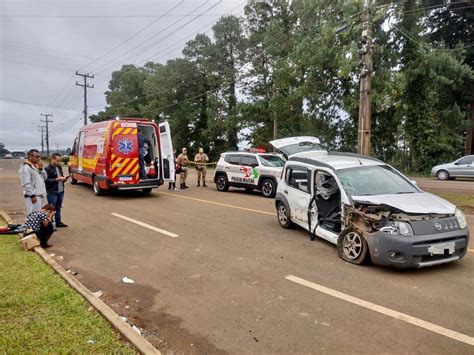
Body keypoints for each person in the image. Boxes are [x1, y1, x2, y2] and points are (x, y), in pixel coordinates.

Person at [19, 149, 47, 215]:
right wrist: (32, 195)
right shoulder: (26, 167)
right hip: (33, 196)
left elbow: (45, 178)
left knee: (39, 217)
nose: (39, 158)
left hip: (40, 195)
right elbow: (26, 183)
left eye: (39, 156)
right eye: (37, 157)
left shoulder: (36, 166)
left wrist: (41, 168)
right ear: (30, 157)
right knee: (32, 216)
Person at [44, 153, 68, 228]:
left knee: (58, 207)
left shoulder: (59, 167)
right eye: (57, 161)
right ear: (53, 159)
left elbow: (61, 176)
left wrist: (64, 179)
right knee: (52, 209)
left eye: (59, 161)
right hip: (52, 191)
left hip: (60, 190)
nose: (58, 162)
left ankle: (58, 222)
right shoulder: (47, 169)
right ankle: (51, 224)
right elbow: (46, 180)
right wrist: (57, 179)